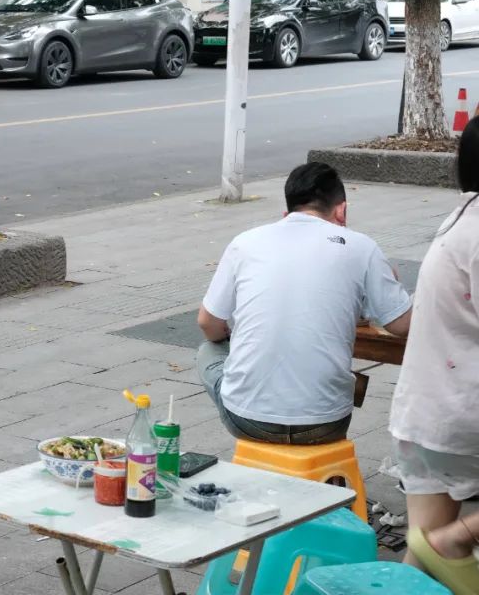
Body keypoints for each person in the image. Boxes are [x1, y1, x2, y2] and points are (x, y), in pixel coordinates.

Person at [197, 162, 411, 445]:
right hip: (326, 423)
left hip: (248, 420)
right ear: (342, 210)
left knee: (208, 351)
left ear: (286, 214)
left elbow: (207, 324)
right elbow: (401, 325)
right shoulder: (362, 247)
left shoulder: (245, 243)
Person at [390, 119, 479, 594]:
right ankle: (460, 536)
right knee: (442, 541)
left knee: (419, 555)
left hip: (422, 415)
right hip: (462, 415)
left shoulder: (463, 213)